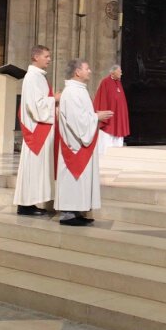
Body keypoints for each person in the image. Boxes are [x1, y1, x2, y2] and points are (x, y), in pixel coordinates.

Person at [56, 58, 115, 226]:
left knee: (80, 181)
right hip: (75, 145)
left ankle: (76, 211)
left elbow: (82, 115)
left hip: (81, 143)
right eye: (86, 68)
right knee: (73, 179)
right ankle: (68, 214)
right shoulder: (72, 92)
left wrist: (94, 115)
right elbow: (77, 120)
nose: (90, 71)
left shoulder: (78, 90)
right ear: (77, 72)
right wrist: (97, 117)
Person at [14, 45, 55, 216]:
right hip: (36, 130)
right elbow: (35, 106)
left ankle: (30, 203)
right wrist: (56, 99)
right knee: (32, 168)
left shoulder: (39, 77)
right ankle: (25, 205)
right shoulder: (32, 78)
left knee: (37, 169)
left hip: (42, 129)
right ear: (35, 57)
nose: (49, 59)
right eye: (46, 56)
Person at [93, 64, 130, 152]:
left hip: (118, 118)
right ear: (113, 72)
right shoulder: (105, 82)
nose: (121, 73)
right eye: (119, 71)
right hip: (109, 119)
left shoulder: (119, 83)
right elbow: (101, 99)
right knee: (106, 146)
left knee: (118, 146)